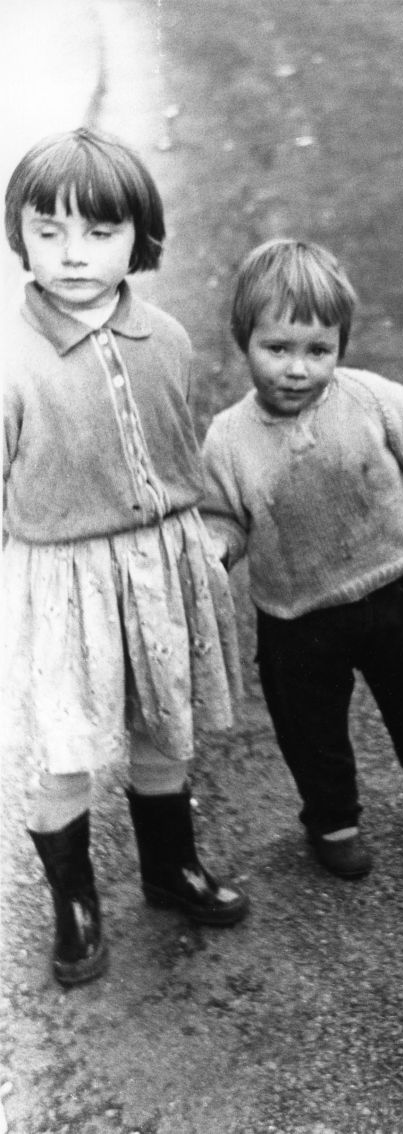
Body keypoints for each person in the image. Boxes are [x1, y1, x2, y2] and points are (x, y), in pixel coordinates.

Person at [2, 128, 249, 988]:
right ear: (19, 234)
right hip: (60, 579)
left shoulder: (168, 338)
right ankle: (74, 906)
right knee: (62, 745)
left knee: (163, 721)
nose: (72, 254)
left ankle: (169, 868)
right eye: (48, 230)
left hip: (159, 568)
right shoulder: (9, 360)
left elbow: (188, 451)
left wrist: (212, 533)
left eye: (99, 232)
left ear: (138, 237)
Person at [200, 239, 403, 880]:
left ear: (341, 345)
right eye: (277, 348)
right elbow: (223, 514)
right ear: (244, 341)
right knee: (311, 730)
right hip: (297, 615)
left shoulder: (374, 399)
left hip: (395, 589)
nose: (297, 369)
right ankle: (332, 819)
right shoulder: (229, 439)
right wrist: (216, 551)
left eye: (319, 350)